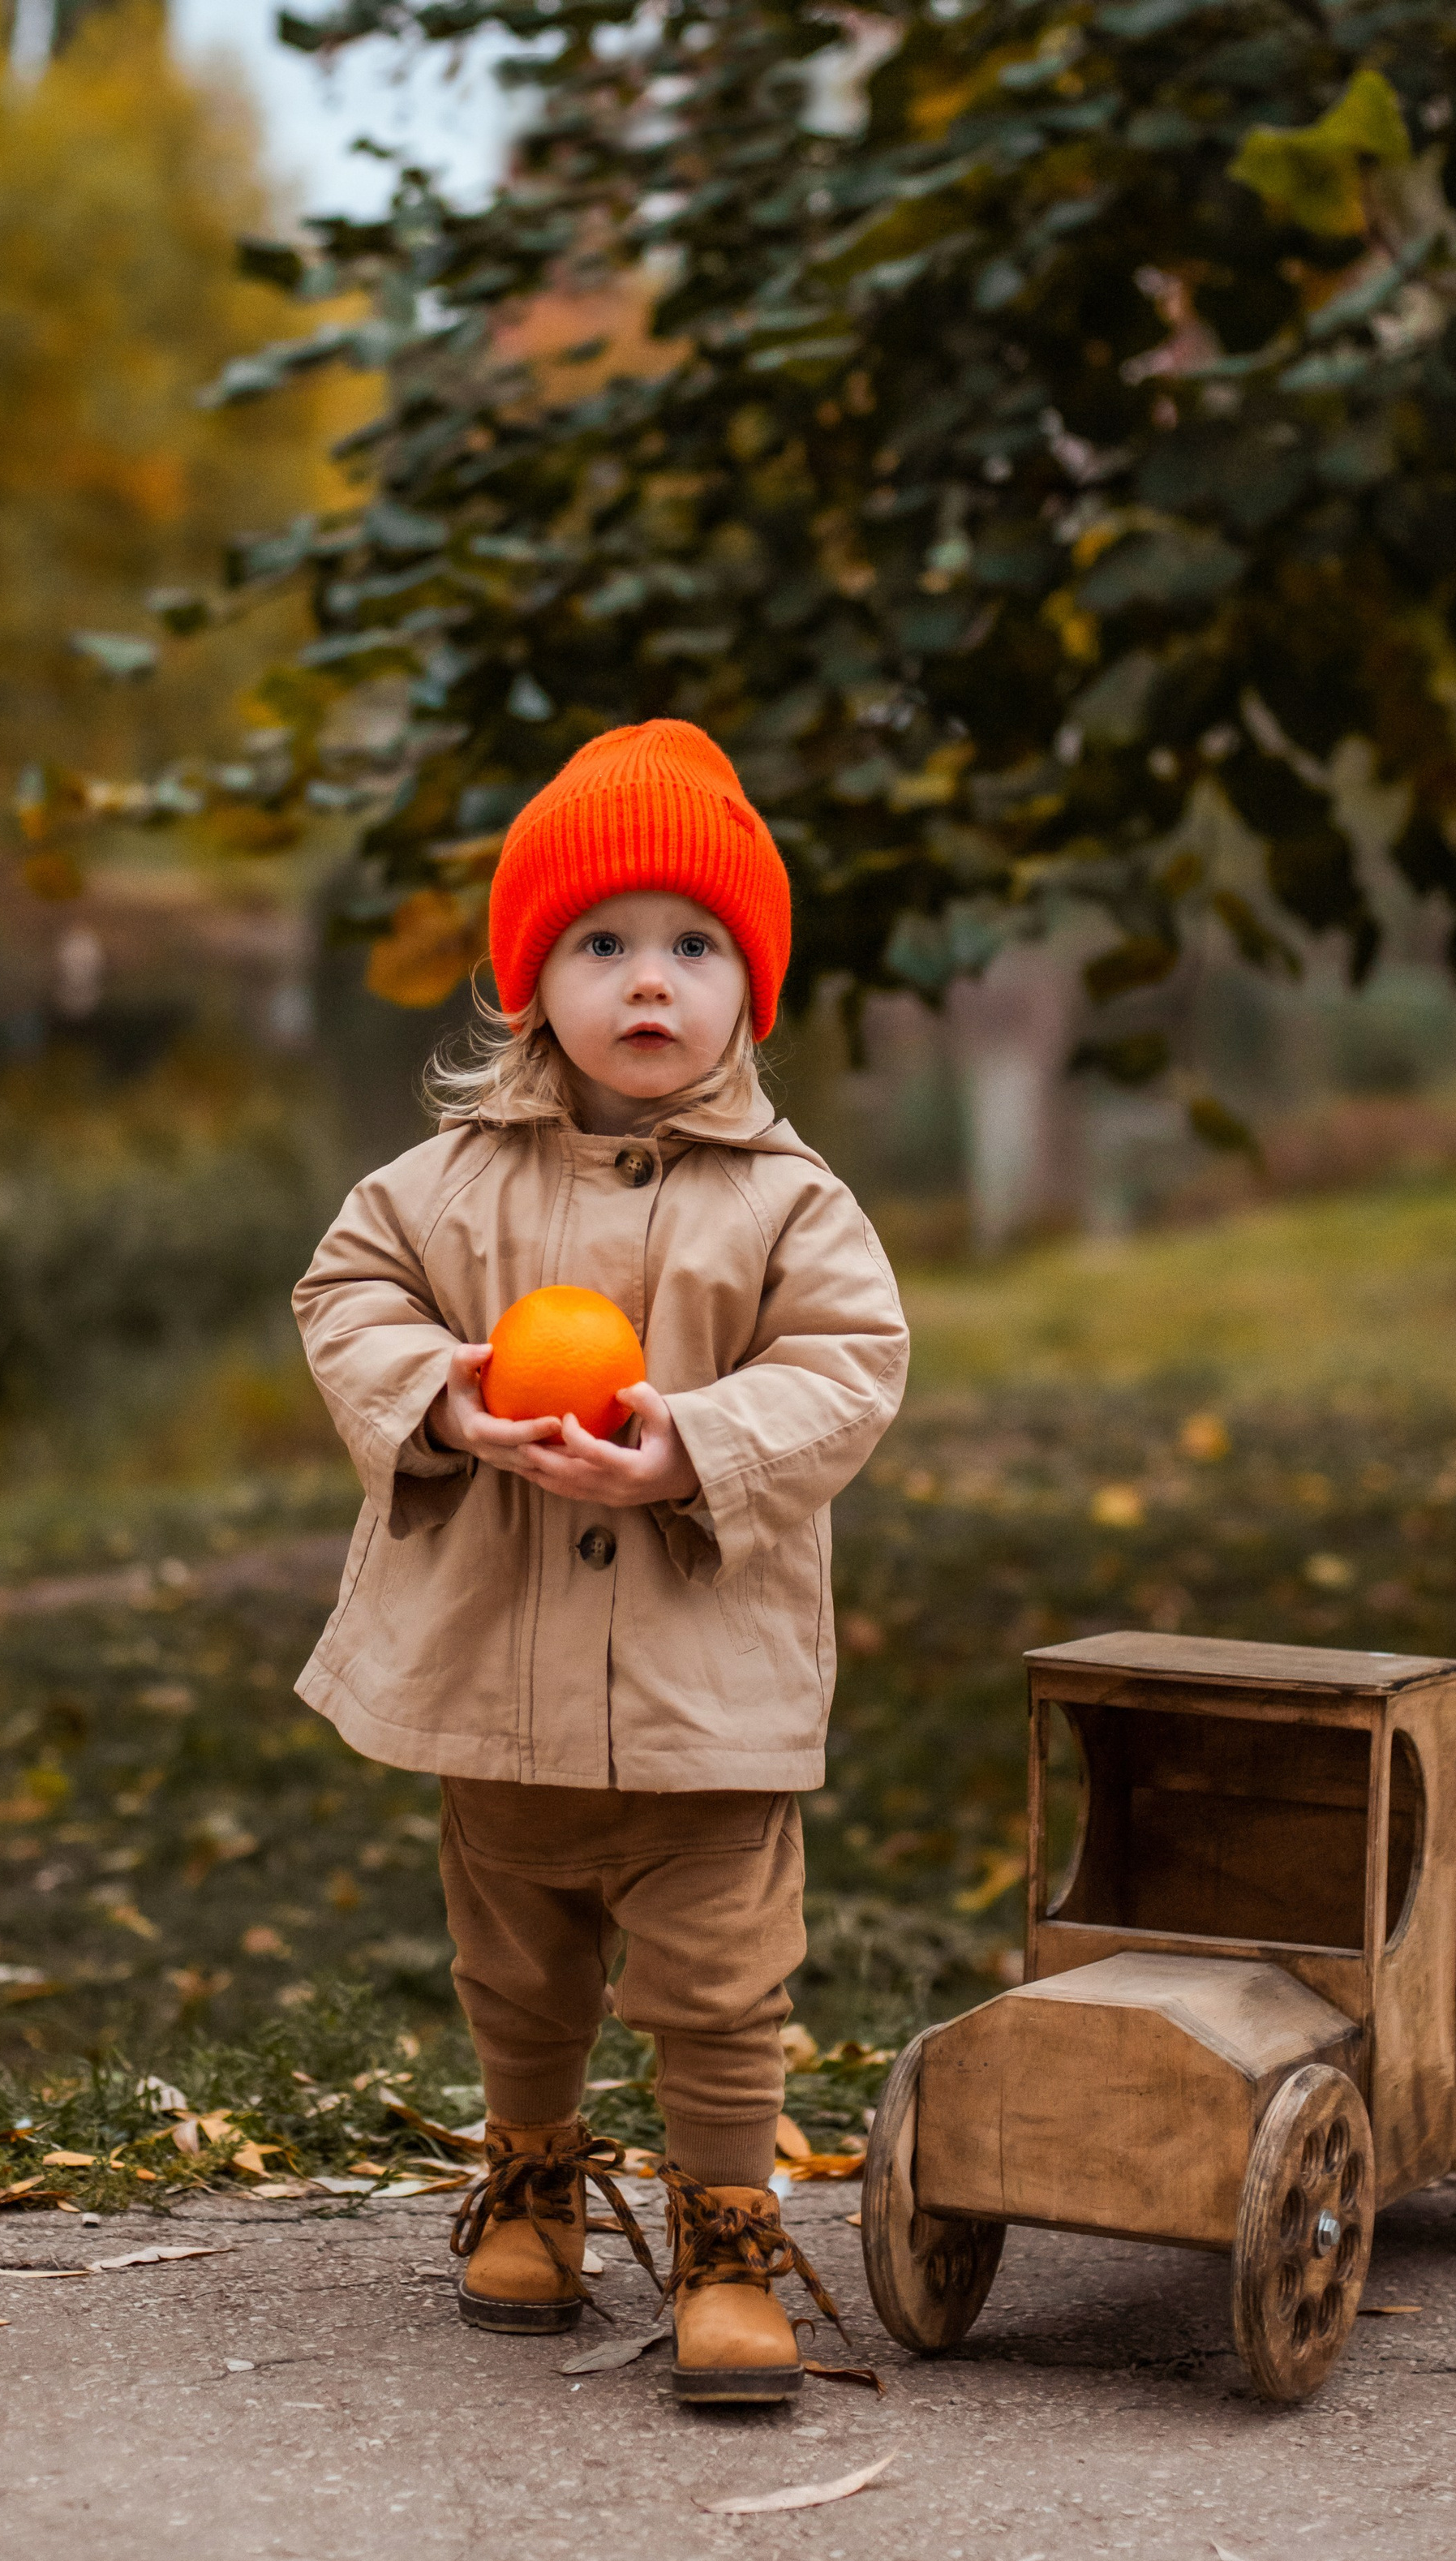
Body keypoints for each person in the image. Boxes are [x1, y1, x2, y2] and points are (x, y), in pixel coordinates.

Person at [290, 720, 908, 2405]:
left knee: (719, 1979)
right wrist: (441, 1394)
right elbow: (346, 1294)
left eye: (695, 944)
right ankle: (535, 2179)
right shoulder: (445, 1185)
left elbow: (849, 1362)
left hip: (706, 1685)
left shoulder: (789, 1203)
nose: (650, 979)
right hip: (497, 1667)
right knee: (515, 1956)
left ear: (749, 987)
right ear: (530, 982)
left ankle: (726, 2232)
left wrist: (692, 1443)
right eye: (604, 942)